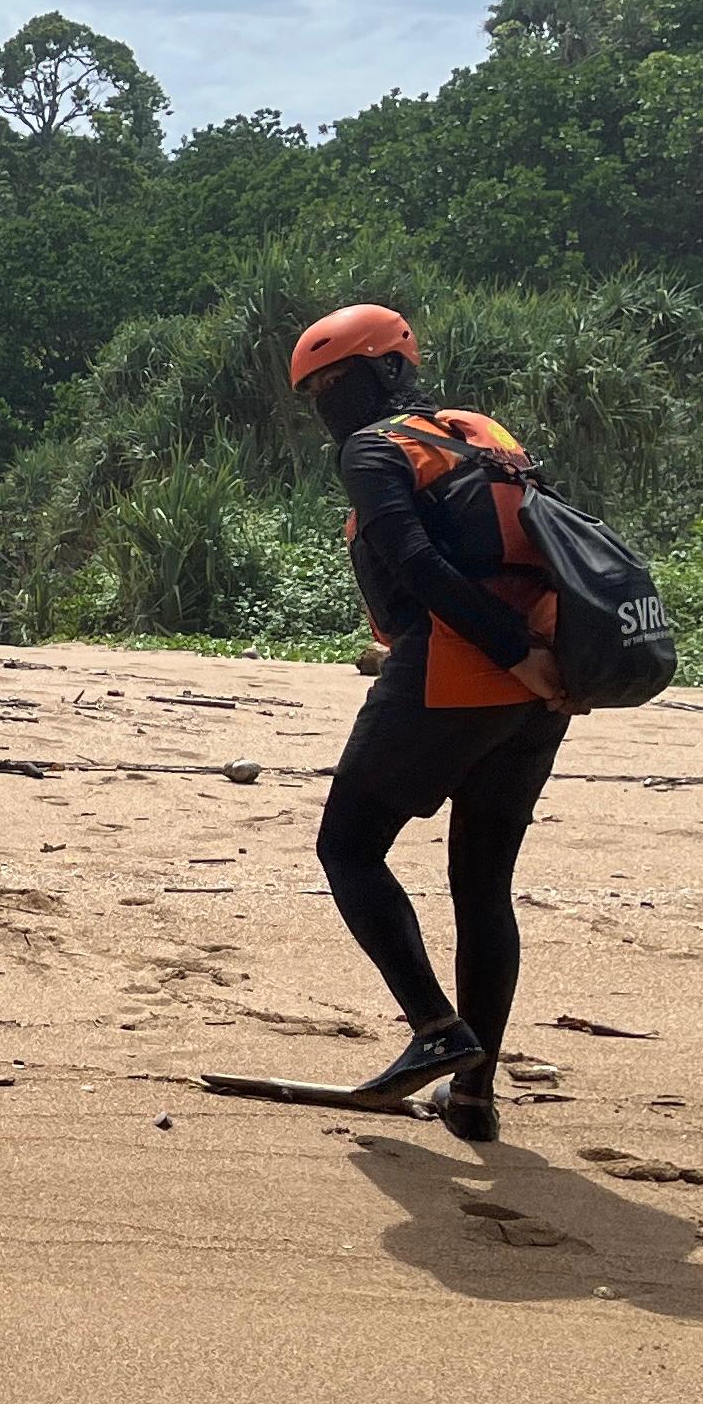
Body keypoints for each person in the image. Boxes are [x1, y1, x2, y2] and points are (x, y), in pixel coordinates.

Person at [289, 302, 588, 1146]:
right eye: (315, 393)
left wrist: (506, 651)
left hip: (464, 669)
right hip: (543, 682)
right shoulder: (485, 432)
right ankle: (474, 1097)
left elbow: (415, 563)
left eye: (335, 383)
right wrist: (539, 658)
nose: (328, 404)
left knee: (347, 848)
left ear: (387, 370)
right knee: (482, 883)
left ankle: (434, 1028)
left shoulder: (374, 447)